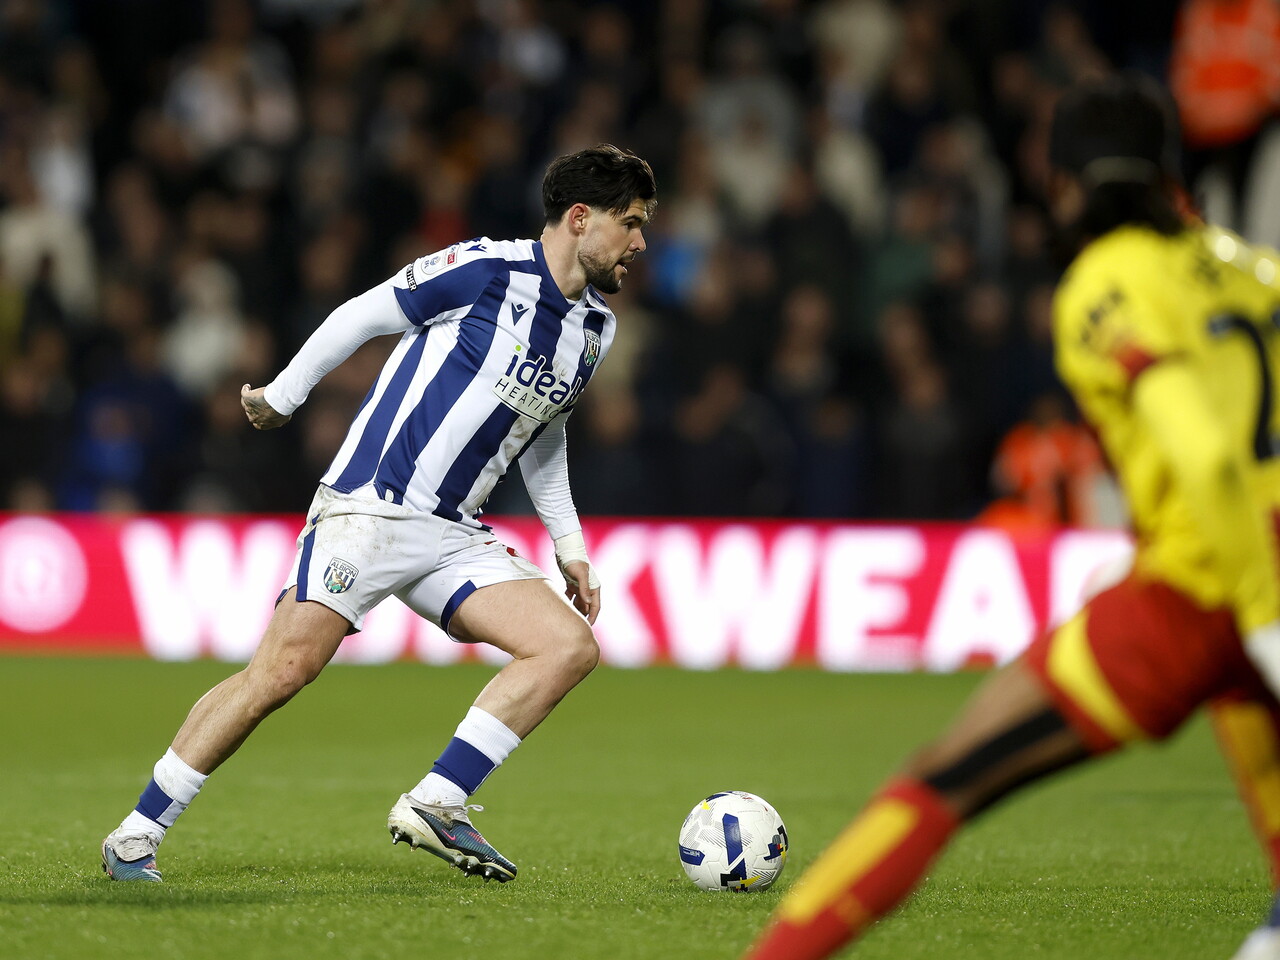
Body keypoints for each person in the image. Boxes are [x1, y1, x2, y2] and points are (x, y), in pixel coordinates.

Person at [741, 75, 1280, 960]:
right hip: (1255, 572)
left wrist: (1263, 615)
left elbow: (1206, 452)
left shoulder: (1104, 283)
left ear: (1060, 178)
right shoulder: (1255, 275)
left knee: (944, 777)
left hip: (1208, 585)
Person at [100, 143, 656, 884]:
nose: (641, 244)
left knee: (567, 646)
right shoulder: (486, 269)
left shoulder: (595, 329)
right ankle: (136, 833)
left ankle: (438, 802)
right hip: (374, 506)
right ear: (580, 219)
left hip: (456, 534)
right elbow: (364, 314)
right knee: (282, 671)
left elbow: (544, 430)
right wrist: (282, 395)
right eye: (631, 222)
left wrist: (572, 546)